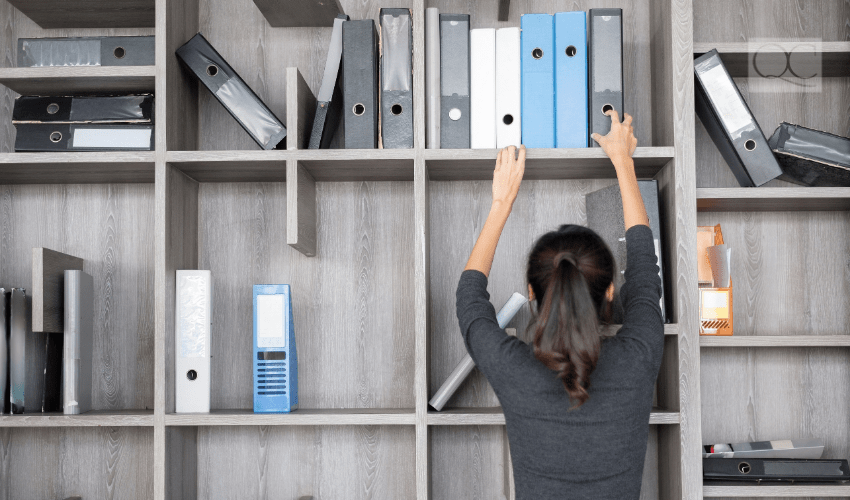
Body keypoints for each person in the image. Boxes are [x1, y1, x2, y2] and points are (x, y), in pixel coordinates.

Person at [456, 110, 664, 500]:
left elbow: (469, 299)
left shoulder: (514, 368)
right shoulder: (639, 355)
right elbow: (645, 271)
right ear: (610, 292)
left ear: (531, 295)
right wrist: (622, 161)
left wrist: (502, 202)